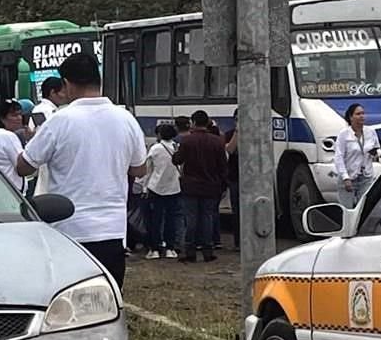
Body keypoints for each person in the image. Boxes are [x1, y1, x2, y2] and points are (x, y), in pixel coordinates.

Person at [17, 52, 146, 288]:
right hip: (113, 231)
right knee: (109, 300)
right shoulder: (126, 119)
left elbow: (24, 166)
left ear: (67, 84)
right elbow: (139, 169)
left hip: (69, 231)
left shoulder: (60, 120)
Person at [173, 110, 227, 263]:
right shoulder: (217, 141)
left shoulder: (187, 141)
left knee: (191, 218)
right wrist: (223, 185)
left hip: (191, 186)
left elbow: (177, 160)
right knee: (207, 218)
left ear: (193, 122)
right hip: (211, 186)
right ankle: (208, 251)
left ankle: (190, 251)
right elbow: (223, 166)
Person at [143, 123, 182, 259]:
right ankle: (170, 248)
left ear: (159, 135)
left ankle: (155, 249)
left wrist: (144, 187)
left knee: (155, 219)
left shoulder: (155, 149)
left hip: (155, 188)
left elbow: (148, 170)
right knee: (171, 219)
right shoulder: (177, 147)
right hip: (174, 188)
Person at [335, 103, 380, 208]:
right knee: (347, 209)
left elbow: (378, 150)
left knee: (364, 208)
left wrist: (375, 153)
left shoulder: (371, 132)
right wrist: (345, 178)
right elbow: (339, 157)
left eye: (363, 113)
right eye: (358, 114)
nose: (362, 116)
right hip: (349, 177)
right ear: (351, 117)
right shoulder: (344, 134)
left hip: (366, 176)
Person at [0, 99, 26, 192]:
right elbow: (22, 165)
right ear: (2, 118)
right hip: (13, 191)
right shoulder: (8, 136)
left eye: (20, 114)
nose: (19, 118)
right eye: (14, 115)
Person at [225, 109, 240, 250]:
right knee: (237, 211)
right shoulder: (230, 134)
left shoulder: (256, 132)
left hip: (251, 178)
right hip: (234, 177)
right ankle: (238, 242)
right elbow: (230, 150)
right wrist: (237, 132)